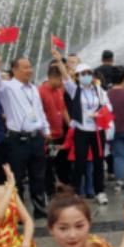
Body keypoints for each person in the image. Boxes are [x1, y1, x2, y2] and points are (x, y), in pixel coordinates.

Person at [0, 53, 50, 218]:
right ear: (15, 70)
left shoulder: (34, 89)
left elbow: (39, 111)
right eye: (25, 67)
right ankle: (18, 212)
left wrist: (46, 129)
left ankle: (40, 209)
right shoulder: (8, 87)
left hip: (36, 137)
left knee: (38, 175)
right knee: (16, 176)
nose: (29, 70)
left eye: (30, 67)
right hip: (17, 139)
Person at [58, 61, 111, 204]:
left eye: (89, 73)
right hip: (81, 130)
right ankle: (75, 192)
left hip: (98, 130)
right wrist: (59, 61)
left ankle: (100, 192)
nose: (86, 76)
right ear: (78, 76)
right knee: (80, 162)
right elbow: (65, 77)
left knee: (99, 162)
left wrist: (99, 114)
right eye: (83, 74)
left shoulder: (99, 90)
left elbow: (108, 107)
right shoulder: (75, 89)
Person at [39, 63, 70, 195]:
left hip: (59, 134)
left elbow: (63, 109)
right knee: (48, 164)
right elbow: (38, 113)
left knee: (62, 163)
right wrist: (44, 132)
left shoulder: (59, 90)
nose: (62, 82)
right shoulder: (40, 91)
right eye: (60, 79)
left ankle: (64, 187)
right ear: (52, 77)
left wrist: (70, 126)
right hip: (48, 136)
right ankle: (50, 191)